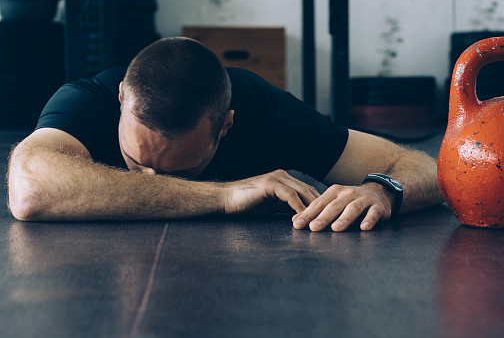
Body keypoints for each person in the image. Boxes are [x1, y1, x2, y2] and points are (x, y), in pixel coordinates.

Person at [7, 37, 442, 231]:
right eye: (137, 161)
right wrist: (224, 194)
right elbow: (28, 189)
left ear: (226, 125)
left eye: (186, 166)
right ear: (122, 99)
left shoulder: (264, 109)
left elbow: (422, 167)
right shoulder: (88, 99)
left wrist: (382, 191)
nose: (151, 180)